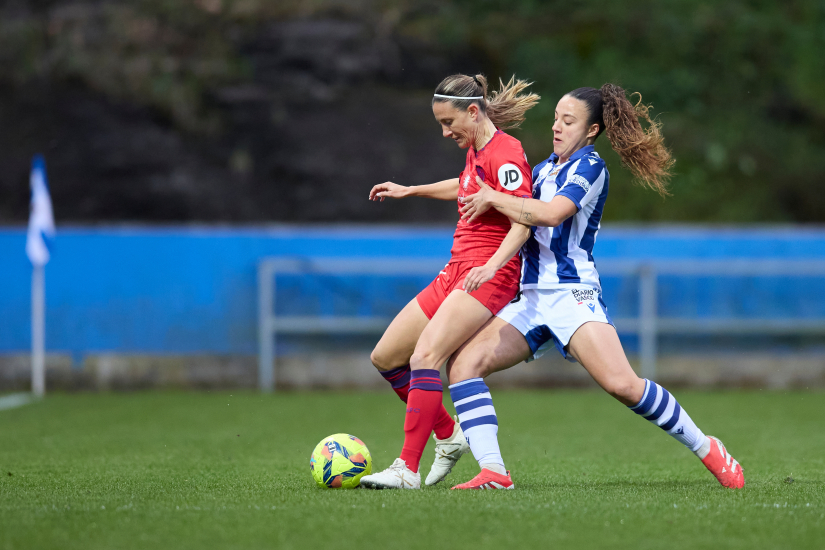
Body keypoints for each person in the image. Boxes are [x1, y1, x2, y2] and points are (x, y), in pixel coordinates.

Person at [443, 84, 745, 490]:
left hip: (571, 294)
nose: (556, 127)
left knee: (623, 385)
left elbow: (550, 214)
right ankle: (495, 472)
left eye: (568, 121)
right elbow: (477, 190)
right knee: (463, 366)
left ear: (591, 130)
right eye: (554, 118)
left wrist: (494, 197)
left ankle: (707, 446)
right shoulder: (544, 168)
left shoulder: (590, 168)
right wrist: (415, 191)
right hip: (530, 297)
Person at [358, 74, 539, 489]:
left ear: (472, 112)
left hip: (487, 274)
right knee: (385, 357)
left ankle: (406, 469)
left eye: (448, 122)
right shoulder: (478, 147)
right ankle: (449, 435)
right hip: (457, 268)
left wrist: (493, 266)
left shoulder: (506, 155)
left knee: (425, 358)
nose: (444, 132)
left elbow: (525, 219)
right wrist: (410, 191)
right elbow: (465, 187)